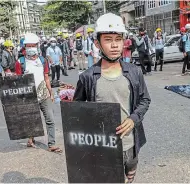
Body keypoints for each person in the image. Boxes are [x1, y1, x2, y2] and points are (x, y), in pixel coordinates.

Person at [73, 13, 151, 183]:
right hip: (102, 147)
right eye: (108, 39)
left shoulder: (134, 72)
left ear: (124, 41)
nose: (115, 45)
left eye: (118, 39)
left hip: (130, 143)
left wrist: (133, 119)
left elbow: (145, 100)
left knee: (130, 174)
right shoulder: (87, 77)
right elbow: (76, 112)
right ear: (97, 43)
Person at [22, 33, 62, 153]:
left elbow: (46, 77)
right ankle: (31, 139)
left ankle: (52, 144)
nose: (31, 48)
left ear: (37, 46)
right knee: (31, 119)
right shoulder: (21, 62)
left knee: (50, 119)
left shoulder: (42, 60)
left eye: (33, 45)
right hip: (29, 95)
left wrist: (51, 93)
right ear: (25, 47)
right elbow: (17, 81)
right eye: (28, 46)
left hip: (44, 93)